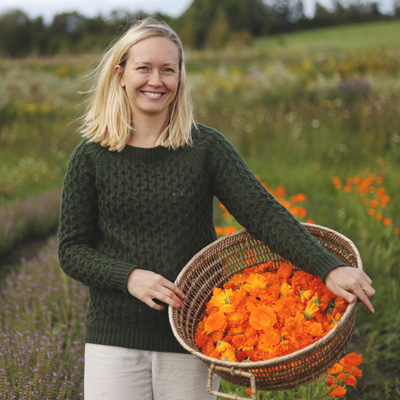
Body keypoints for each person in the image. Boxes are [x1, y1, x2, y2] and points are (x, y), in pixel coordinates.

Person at [58, 17, 375, 400]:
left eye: (168, 70)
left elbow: (263, 213)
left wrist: (328, 266)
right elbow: (72, 249)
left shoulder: (205, 148)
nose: (156, 81)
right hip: (113, 339)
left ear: (180, 78)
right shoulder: (91, 155)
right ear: (120, 73)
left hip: (195, 337)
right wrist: (129, 277)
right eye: (144, 68)